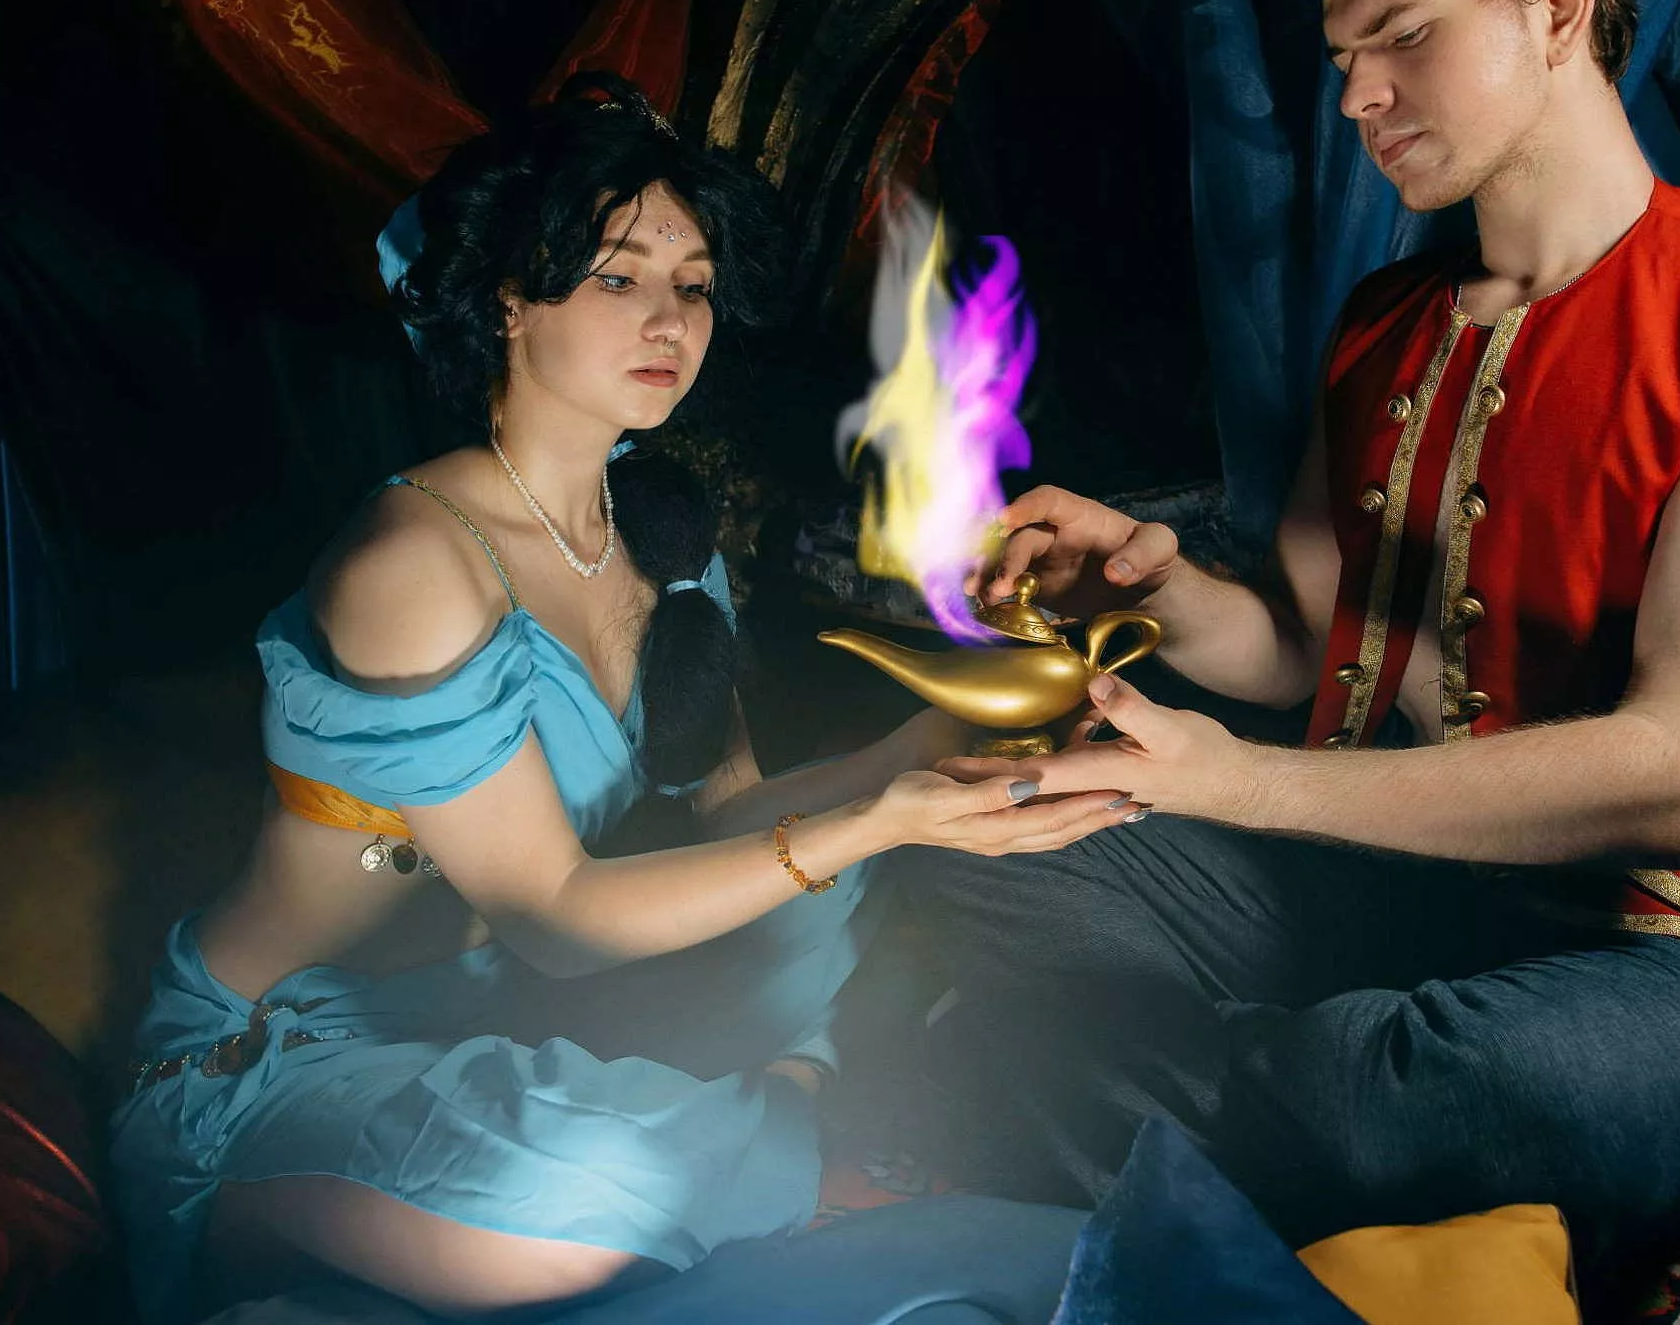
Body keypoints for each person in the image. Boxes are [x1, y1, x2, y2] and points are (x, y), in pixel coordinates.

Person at [901, 0, 1680, 1294]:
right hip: (1356, 894)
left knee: (1432, 1092)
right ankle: (1295, 1109)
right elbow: (1306, 647)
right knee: (975, 857)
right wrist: (1148, 577)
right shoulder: (1387, 320)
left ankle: (1172, 1102)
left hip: (1646, 953)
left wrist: (1246, 784)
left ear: (1556, 5)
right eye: (1341, 59)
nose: (1359, 98)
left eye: (1402, 35)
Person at [109, 74, 1142, 1323]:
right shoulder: (414, 564)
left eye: (693, 286)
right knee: (607, 1171)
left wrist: (947, 738)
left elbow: (734, 811)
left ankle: (759, 1125)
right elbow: (555, 913)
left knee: (842, 899)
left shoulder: (658, 530)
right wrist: (879, 815)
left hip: (509, 1020)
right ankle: (751, 1133)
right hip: (282, 1055)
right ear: (507, 299)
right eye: (617, 277)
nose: (670, 320)